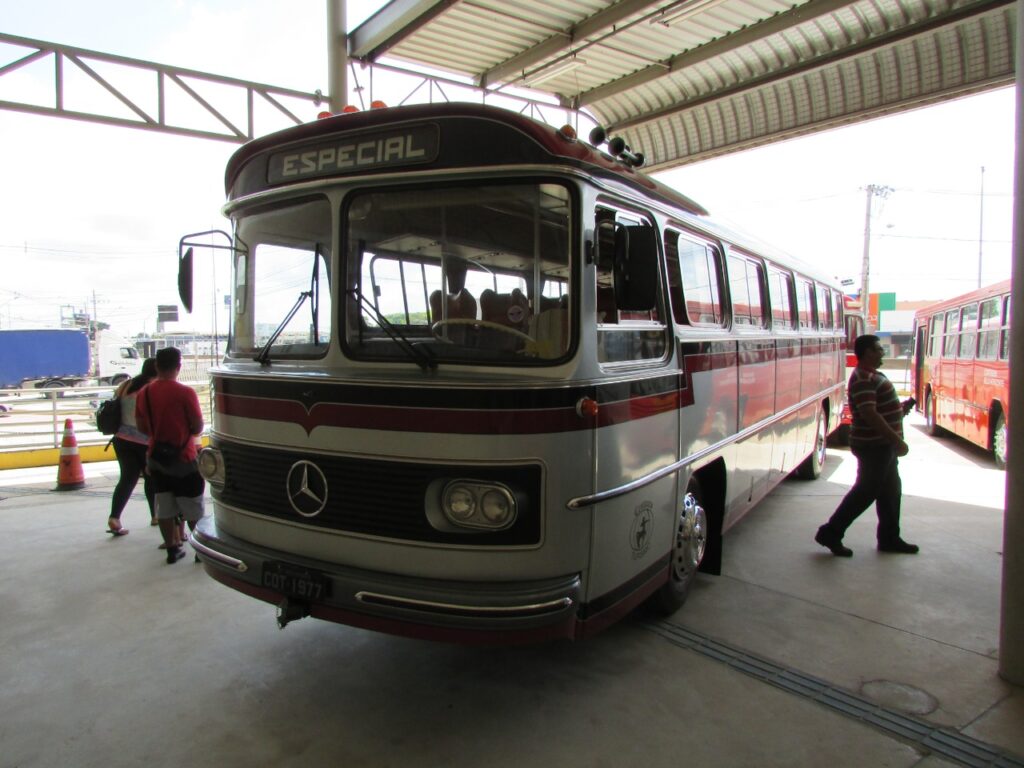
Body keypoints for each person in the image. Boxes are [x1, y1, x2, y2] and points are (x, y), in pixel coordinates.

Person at [815, 334, 919, 557]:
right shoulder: (863, 378)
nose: (882, 352)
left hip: (882, 447)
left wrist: (898, 410)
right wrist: (896, 440)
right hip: (875, 447)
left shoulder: (871, 375)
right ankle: (831, 532)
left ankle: (889, 538)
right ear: (868, 352)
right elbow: (869, 414)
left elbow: (876, 408)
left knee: (891, 492)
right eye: (879, 349)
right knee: (865, 492)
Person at [135, 347, 205, 564]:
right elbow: (198, 426)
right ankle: (200, 550)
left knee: (164, 505)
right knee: (193, 506)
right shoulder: (186, 393)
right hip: (184, 458)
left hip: (156, 459)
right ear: (179, 367)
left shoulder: (144, 393)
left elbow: (142, 427)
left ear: (156, 366)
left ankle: (172, 550)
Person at [106, 358, 158, 536]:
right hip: (144, 441)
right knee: (151, 478)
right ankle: (155, 515)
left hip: (121, 439)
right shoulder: (153, 388)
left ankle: (115, 517)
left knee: (127, 479)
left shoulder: (126, 385)